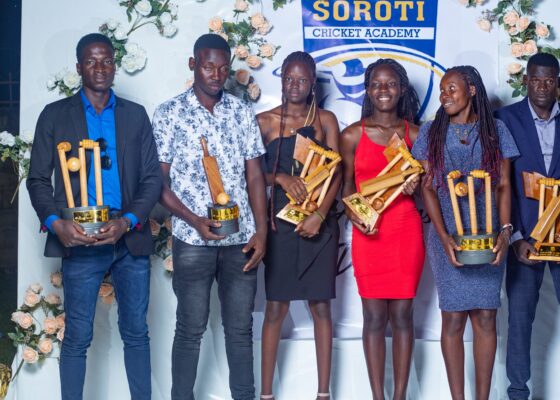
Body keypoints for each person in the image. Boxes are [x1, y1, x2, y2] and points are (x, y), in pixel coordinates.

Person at [26, 33, 161, 400]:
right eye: (91, 61)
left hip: (128, 236)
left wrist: (127, 221)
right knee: (77, 336)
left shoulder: (135, 115)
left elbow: (152, 178)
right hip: (79, 238)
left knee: (136, 333)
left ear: (114, 66)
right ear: (78, 67)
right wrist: (56, 224)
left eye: (106, 61)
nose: (100, 68)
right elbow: (37, 179)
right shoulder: (55, 115)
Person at [153, 33, 268, 400]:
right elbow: (158, 183)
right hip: (192, 241)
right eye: (207, 66)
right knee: (190, 329)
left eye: (222, 68)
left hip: (240, 241)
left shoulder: (241, 111)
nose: (216, 75)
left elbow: (255, 175)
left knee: (240, 330)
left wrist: (262, 231)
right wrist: (194, 221)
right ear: (193, 65)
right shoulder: (170, 113)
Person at [412, 65, 518, 400]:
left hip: (489, 234)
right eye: (442, 90)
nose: (444, 96)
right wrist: (443, 236)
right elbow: (427, 187)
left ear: (471, 90)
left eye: (452, 89)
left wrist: (505, 232)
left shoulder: (496, 130)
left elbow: (504, 185)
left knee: (486, 316)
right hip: (446, 234)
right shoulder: (431, 132)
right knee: (454, 318)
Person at [494, 53, 560, 400]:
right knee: (519, 322)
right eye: (535, 79)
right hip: (525, 236)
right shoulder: (505, 118)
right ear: (526, 80)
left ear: (558, 82)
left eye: (549, 80)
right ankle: (517, 393)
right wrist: (515, 237)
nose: (541, 86)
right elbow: (504, 183)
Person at [257, 51, 341, 400]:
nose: (294, 85)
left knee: (321, 306)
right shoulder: (264, 121)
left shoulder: (325, 120)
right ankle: (266, 394)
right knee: (276, 307)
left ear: (312, 84)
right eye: (289, 78)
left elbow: (337, 172)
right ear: (281, 81)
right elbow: (250, 174)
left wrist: (320, 215)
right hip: (279, 224)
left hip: (318, 221)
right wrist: (279, 178)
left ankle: (323, 393)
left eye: (302, 79)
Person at [340, 58, 424, 400]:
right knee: (373, 316)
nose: (383, 90)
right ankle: (378, 396)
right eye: (376, 84)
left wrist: (417, 186)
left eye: (390, 84)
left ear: (401, 89)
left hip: (405, 231)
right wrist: (354, 213)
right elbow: (346, 187)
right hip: (369, 234)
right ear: (367, 90)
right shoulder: (352, 135)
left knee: (403, 315)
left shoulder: (415, 134)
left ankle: (400, 395)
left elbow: (428, 189)